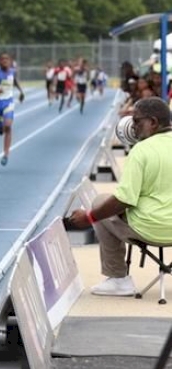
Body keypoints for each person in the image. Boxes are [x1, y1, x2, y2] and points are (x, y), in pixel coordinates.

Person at [68, 97, 172, 296]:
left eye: (136, 121)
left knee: (100, 203)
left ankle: (118, 279)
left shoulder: (141, 151)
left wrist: (89, 217)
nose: (133, 127)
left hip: (151, 229)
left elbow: (123, 200)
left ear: (152, 123)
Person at [0, 52, 25, 166]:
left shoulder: (13, 71)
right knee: (0, 131)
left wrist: (21, 91)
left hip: (8, 102)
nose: (5, 61)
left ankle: (6, 154)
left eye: (7, 59)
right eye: (2, 59)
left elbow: (14, 81)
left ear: (10, 60)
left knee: (8, 126)